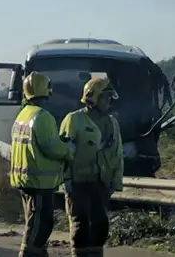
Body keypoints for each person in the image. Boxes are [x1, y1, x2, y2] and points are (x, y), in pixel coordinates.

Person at [10, 71, 73, 257]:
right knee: (39, 227)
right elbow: (52, 147)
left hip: (25, 180)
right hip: (40, 183)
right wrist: (69, 150)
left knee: (34, 224)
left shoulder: (22, 115)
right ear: (47, 92)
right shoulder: (43, 116)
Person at [59, 77, 123, 257]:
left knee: (100, 227)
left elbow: (117, 155)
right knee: (80, 227)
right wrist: (66, 181)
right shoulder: (74, 120)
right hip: (77, 184)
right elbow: (64, 153)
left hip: (100, 184)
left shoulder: (112, 123)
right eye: (105, 98)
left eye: (110, 98)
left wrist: (115, 182)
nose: (109, 102)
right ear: (93, 97)